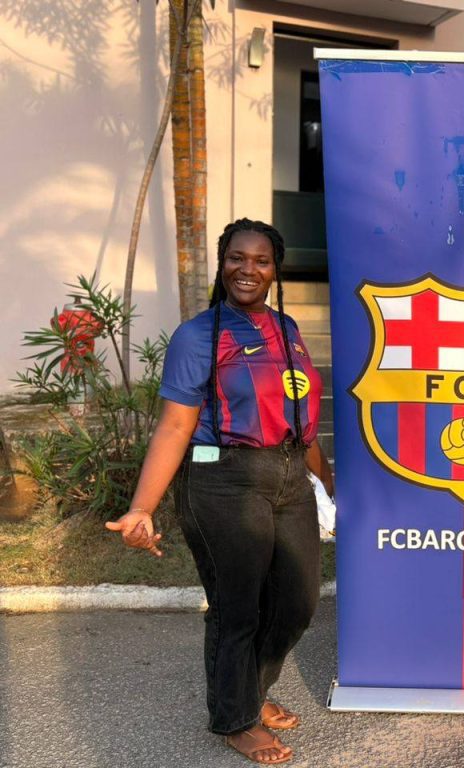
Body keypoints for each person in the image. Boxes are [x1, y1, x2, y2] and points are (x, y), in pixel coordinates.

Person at [106, 218, 335, 765]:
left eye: (260, 260)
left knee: (297, 602)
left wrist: (325, 482)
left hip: (288, 476)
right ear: (221, 262)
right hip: (224, 481)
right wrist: (142, 508)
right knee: (239, 608)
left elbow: (300, 418)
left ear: (275, 269)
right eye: (237, 258)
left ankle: (250, 691)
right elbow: (174, 426)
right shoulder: (199, 336)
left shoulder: (286, 328)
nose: (247, 269)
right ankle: (236, 718)